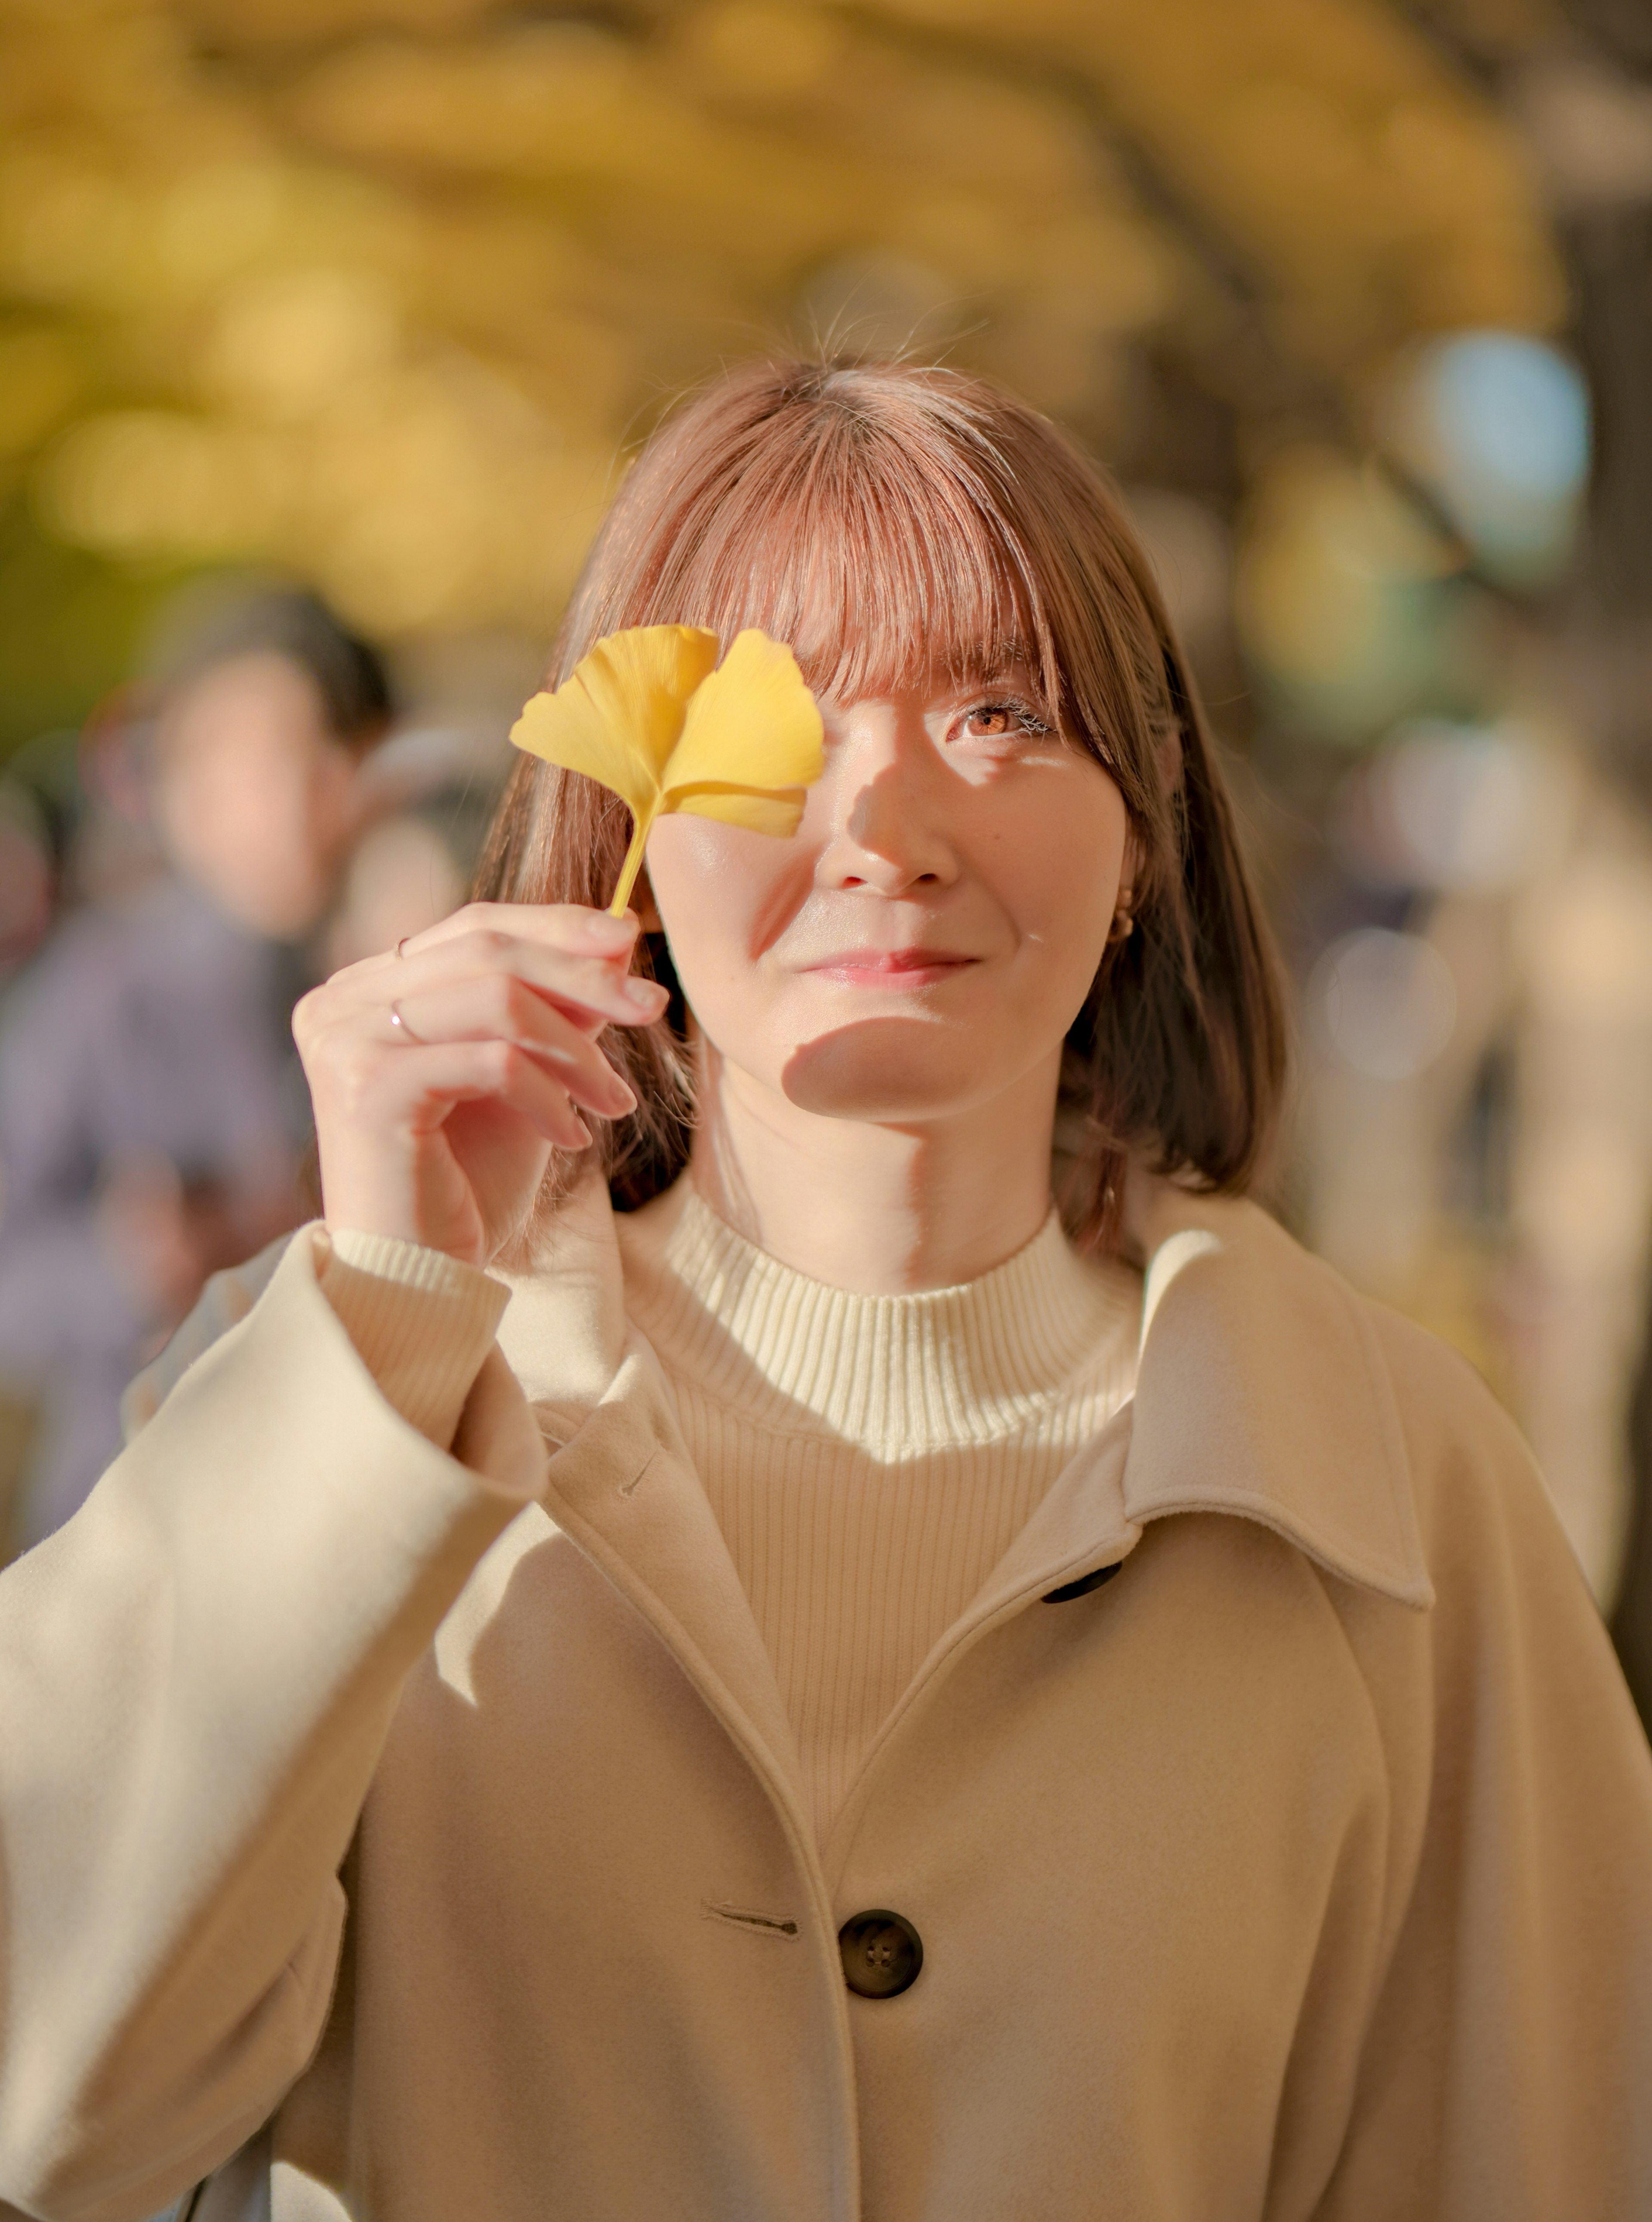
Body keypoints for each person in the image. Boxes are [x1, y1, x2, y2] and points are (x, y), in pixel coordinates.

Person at [1, 357, 1650, 2222]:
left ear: (1143, 831)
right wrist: (378, 1328)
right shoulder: (346, 1400)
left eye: (1007, 711)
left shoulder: (1404, 1499)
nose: (886, 823)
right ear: (624, 820)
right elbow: (49, 2102)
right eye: (773, 720)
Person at [0, 582, 390, 1540]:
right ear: (174, 786)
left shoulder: (400, 958)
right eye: (245, 761)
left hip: (357, 1510)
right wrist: (127, 1261)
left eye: (314, 753)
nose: (286, 799)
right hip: (132, 1509)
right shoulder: (102, 991)